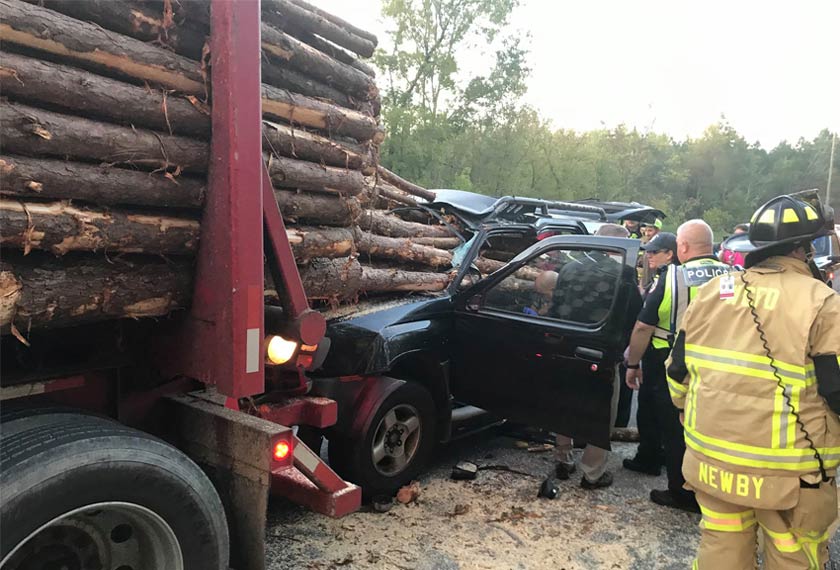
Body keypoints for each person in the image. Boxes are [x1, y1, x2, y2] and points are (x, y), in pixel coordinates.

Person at [666, 193, 840, 569]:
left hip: (712, 462)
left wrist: (684, 411)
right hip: (792, 474)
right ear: (803, 250)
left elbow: (677, 371)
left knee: (721, 551)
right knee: (793, 554)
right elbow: (837, 389)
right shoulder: (824, 302)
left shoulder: (712, 293)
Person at [624, 219, 732, 512]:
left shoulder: (673, 277)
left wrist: (632, 363)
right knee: (708, 426)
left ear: (681, 247)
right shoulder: (732, 275)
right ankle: (709, 483)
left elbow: (644, 327)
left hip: (672, 362)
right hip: (720, 363)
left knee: (675, 427)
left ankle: (681, 492)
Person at [554, 223, 642, 489]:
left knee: (565, 404)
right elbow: (635, 316)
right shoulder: (623, 274)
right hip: (602, 355)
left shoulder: (569, 268)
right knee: (602, 412)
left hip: (567, 350)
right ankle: (592, 473)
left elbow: (556, 307)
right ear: (618, 247)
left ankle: (563, 459)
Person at [617, 232, 679, 449]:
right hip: (673, 351)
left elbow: (644, 326)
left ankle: (650, 456)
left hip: (661, 352)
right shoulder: (669, 277)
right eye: (647, 251)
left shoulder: (669, 280)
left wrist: (633, 364)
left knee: (652, 407)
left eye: (654, 251)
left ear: (670, 254)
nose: (648, 255)